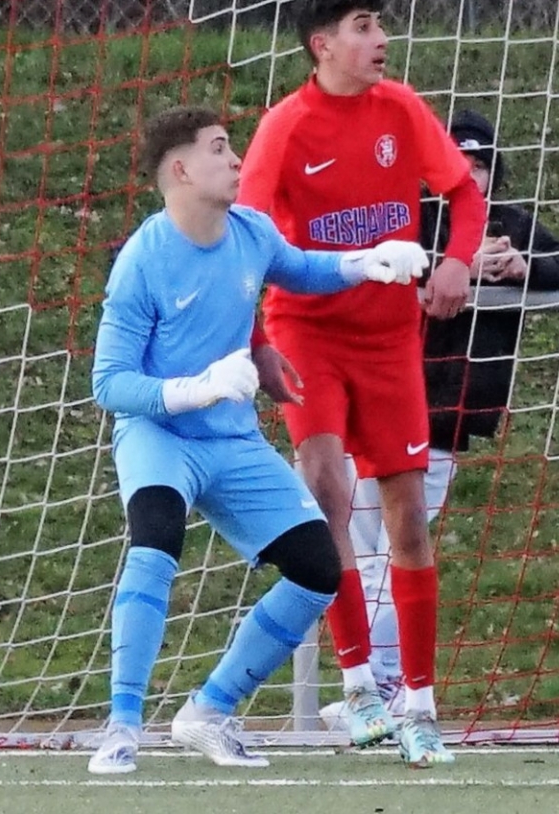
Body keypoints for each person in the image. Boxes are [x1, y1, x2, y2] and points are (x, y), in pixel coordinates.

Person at [86, 106, 429, 776]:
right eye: (220, 149)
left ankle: (209, 711)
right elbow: (111, 383)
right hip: (160, 433)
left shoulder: (250, 232)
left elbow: (302, 270)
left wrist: (370, 262)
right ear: (181, 170)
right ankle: (121, 727)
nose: (237, 160)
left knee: (317, 568)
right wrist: (194, 387)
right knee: (154, 544)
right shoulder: (142, 262)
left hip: (232, 441)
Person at [237, 0, 488, 769]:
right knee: (325, 494)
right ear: (324, 45)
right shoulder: (285, 128)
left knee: (409, 519)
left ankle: (420, 703)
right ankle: (357, 687)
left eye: (379, 24)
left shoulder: (403, 109)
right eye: (364, 26)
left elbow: (464, 192)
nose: (381, 38)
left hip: (389, 342)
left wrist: (455, 260)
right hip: (306, 332)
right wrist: (255, 343)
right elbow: (244, 241)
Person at [331, 108, 559, 719]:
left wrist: (522, 267)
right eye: (461, 162)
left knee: (397, 550)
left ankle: (379, 687)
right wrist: (455, 265)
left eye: (480, 164)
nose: (470, 174)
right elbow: (367, 268)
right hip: (376, 399)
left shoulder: (510, 225)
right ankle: (374, 687)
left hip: (449, 416)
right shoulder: (405, 220)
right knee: (367, 551)